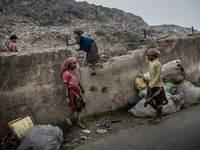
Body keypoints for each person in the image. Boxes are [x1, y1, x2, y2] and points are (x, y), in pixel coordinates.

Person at [144, 48, 168, 123]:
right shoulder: (151, 63)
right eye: (147, 55)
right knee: (148, 100)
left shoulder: (158, 64)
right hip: (151, 85)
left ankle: (160, 117)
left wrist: (151, 85)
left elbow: (158, 76)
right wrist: (149, 84)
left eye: (149, 56)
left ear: (153, 56)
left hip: (157, 86)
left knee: (158, 102)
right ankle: (157, 112)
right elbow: (151, 75)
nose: (147, 57)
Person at [61, 57, 86, 129]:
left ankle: (79, 122)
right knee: (77, 105)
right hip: (71, 91)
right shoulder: (66, 74)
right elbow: (65, 86)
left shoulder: (75, 70)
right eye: (74, 63)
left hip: (76, 90)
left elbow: (77, 80)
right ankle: (67, 118)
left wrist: (81, 88)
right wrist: (67, 97)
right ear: (69, 64)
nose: (76, 64)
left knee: (80, 105)